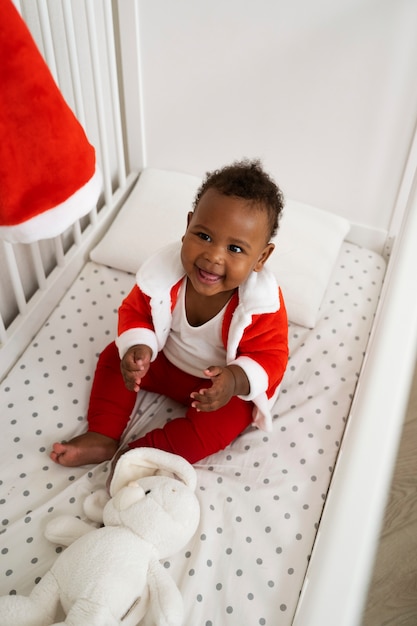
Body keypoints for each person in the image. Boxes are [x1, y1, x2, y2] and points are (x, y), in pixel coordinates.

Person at [50, 159, 289, 468]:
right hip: (165, 362)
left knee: (224, 422)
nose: (213, 256)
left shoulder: (261, 304)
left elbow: (271, 357)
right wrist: (140, 347)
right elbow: (135, 311)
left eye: (235, 249)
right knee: (114, 356)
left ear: (262, 257)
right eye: (203, 236)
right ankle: (103, 435)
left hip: (217, 388)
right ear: (188, 225)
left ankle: (144, 452)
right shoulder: (162, 276)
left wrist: (234, 380)